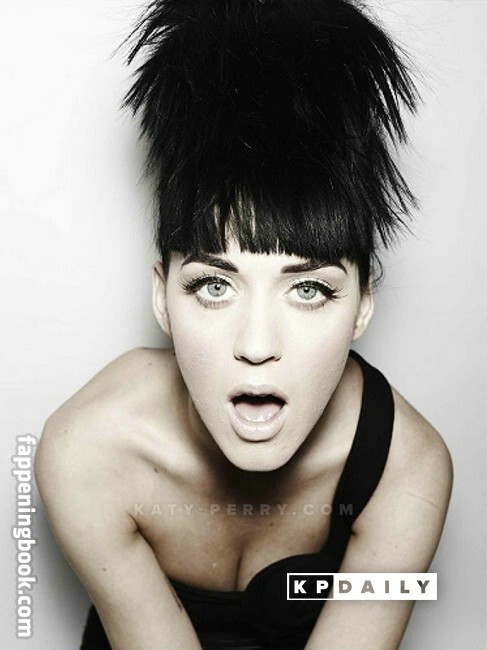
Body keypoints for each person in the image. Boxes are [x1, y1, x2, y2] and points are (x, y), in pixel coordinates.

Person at [34, 0, 453, 648]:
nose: (257, 346)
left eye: (309, 289)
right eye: (214, 286)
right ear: (162, 297)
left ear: (363, 303)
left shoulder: (409, 469)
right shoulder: (86, 450)